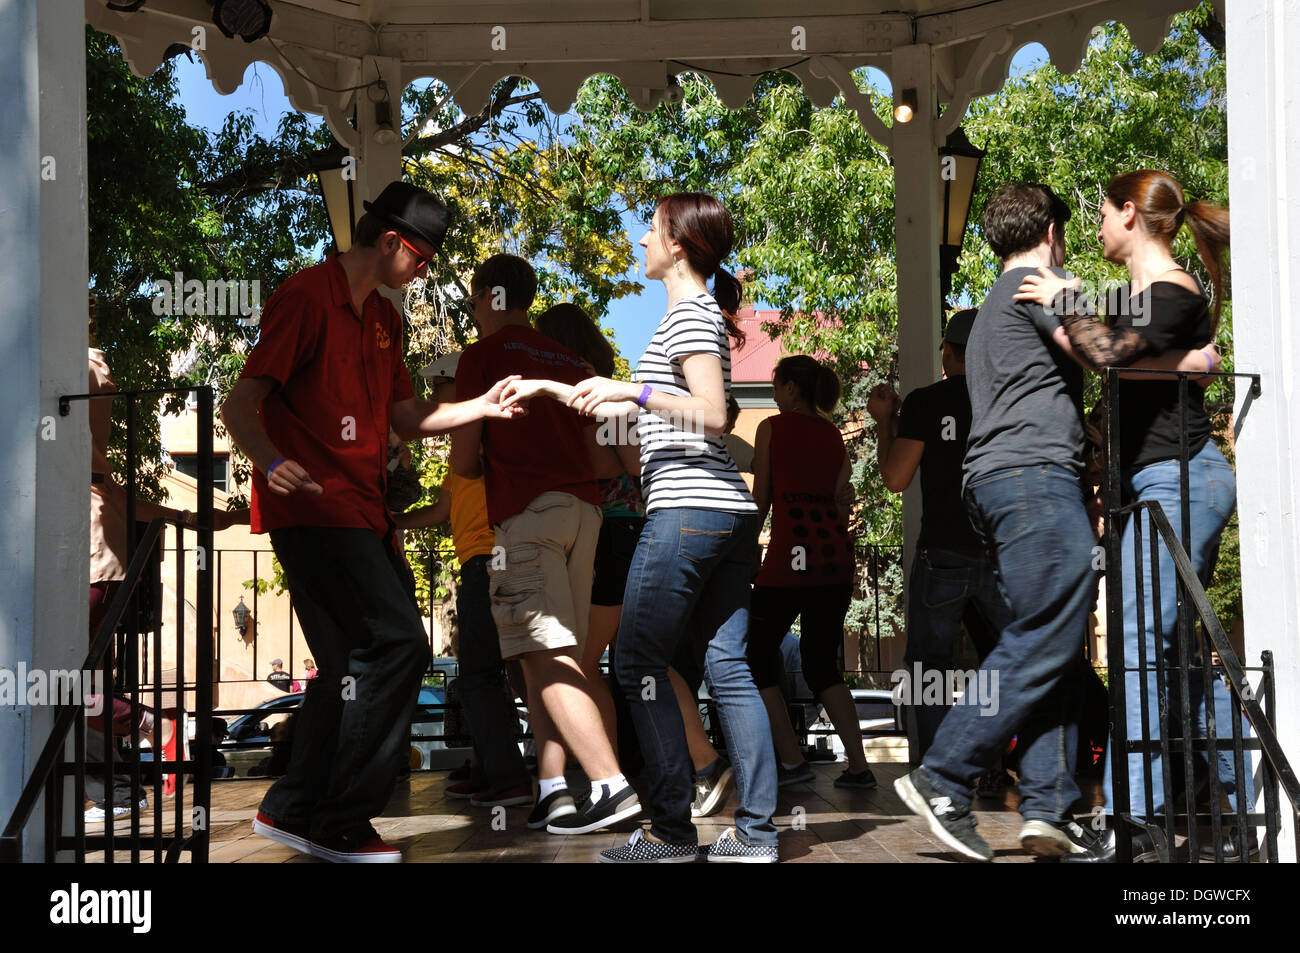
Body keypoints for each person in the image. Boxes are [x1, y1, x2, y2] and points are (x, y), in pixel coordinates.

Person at [221, 181, 523, 863]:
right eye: (422, 257)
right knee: (399, 645)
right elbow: (241, 404)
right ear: (390, 241)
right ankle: (341, 818)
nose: (426, 271)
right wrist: (271, 463)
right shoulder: (306, 295)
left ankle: (293, 803)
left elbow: (404, 419)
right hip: (315, 507)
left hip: (366, 512)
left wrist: (479, 407)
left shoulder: (386, 320)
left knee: (343, 665)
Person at [508, 192, 780, 862]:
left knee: (633, 660)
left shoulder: (689, 316)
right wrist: (549, 389)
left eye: (651, 230)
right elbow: (627, 402)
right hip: (728, 518)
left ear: (679, 243)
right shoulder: (686, 319)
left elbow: (715, 413)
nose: (640, 241)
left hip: (688, 513)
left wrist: (632, 391)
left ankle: (669, 832)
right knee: (728, 667)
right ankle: (758, 835)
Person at [1014, 170, 1252, 862]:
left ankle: (1132, 825)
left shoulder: (1171, 291)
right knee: (1176, 661)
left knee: (1141, 653)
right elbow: (1108, 368)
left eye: (1101, 212)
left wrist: (1065, 296)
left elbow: (1108, 355)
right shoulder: (1148, 301)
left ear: (1129, 215)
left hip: (1177, 481)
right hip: (1154, 484)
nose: (1094, 226)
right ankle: (1245, 806)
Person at [893, 183, 1105, 862]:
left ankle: (1047, 806)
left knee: (1048, 640)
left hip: (998, 485)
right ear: (1050, 233)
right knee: (1046, 634)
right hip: (1035, 482)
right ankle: (943, 773)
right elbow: (1104, 349)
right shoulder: (1043, 284)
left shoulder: (986, 308)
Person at [450, 254, 641, 836]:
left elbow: (462, 461)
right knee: (542, 659)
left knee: (546, 655)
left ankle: (611, 785)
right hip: (585, 512)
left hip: (526, 515)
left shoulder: (480, 358)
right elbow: (611, 437)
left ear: (486, 294)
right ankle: (554, 791)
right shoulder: (567, 357)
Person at [87, 299, 247, 821]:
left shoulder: (77, 370)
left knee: (60, 686)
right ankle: (116, 787)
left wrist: (190, 516)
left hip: (91, 560)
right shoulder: (84, 369)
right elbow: (114, 490)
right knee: (73, 687)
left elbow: (106, 488)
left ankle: (151, 727)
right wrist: (191, 516)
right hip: (96, 557)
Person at [866, 309, 1013, 763]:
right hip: (999, 553)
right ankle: (998, 761)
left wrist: (884, 423)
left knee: (928, 668)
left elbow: (894, 478)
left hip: (943, 554)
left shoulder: (927, 402)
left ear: (948, 352)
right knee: (1010, 661)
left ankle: (930, 770)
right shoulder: (1007, 399)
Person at [395, 352, 535, 813]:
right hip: (482, 563)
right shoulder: (465, 441)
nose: (433, 398)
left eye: (438, 388)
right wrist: (393, 520)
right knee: (488, 673)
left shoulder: (481, 436)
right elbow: (440, 511)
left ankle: (509, 778)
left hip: (489, 562)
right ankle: (493, 769)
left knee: (477, 676)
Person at [747, 355, 874, 789]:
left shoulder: (772, 428)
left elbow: (761, 496)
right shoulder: (833, 434)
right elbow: (842, 501)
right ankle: (859, 767)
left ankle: (790, 761)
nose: (773, 394)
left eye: (776, 385)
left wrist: (746, 548)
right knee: (822, 665)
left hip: (789, 554)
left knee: (754, 657)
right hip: (834, 556)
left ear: (791, 390)